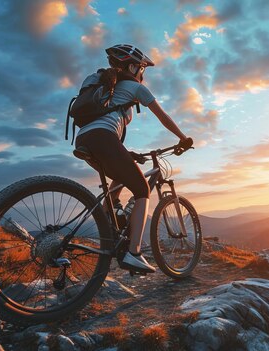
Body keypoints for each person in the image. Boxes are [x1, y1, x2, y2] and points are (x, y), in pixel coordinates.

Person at [75, 44, 193, 274]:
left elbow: (106, 124)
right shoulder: (135, 88)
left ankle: (111, 221)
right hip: (102, 137)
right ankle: (134, 252)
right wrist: (183, 138)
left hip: (85, 138)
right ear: (132, 67)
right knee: (141, 189)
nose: (143, 74)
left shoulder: (106, 86)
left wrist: (125, 153)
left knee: (120, 177)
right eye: (142, 69)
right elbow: (163, 117)